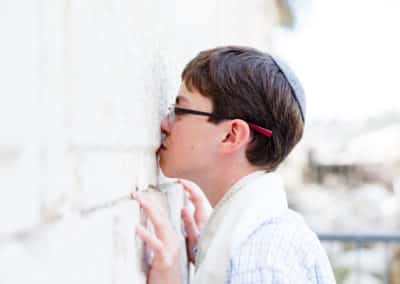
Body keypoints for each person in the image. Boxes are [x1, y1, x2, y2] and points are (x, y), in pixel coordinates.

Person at [131, 46, 336, 284]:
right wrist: (210, 248)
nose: (165, 124)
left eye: (179, 110)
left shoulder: (259, 260)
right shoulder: (263, 239)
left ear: (231, 135)